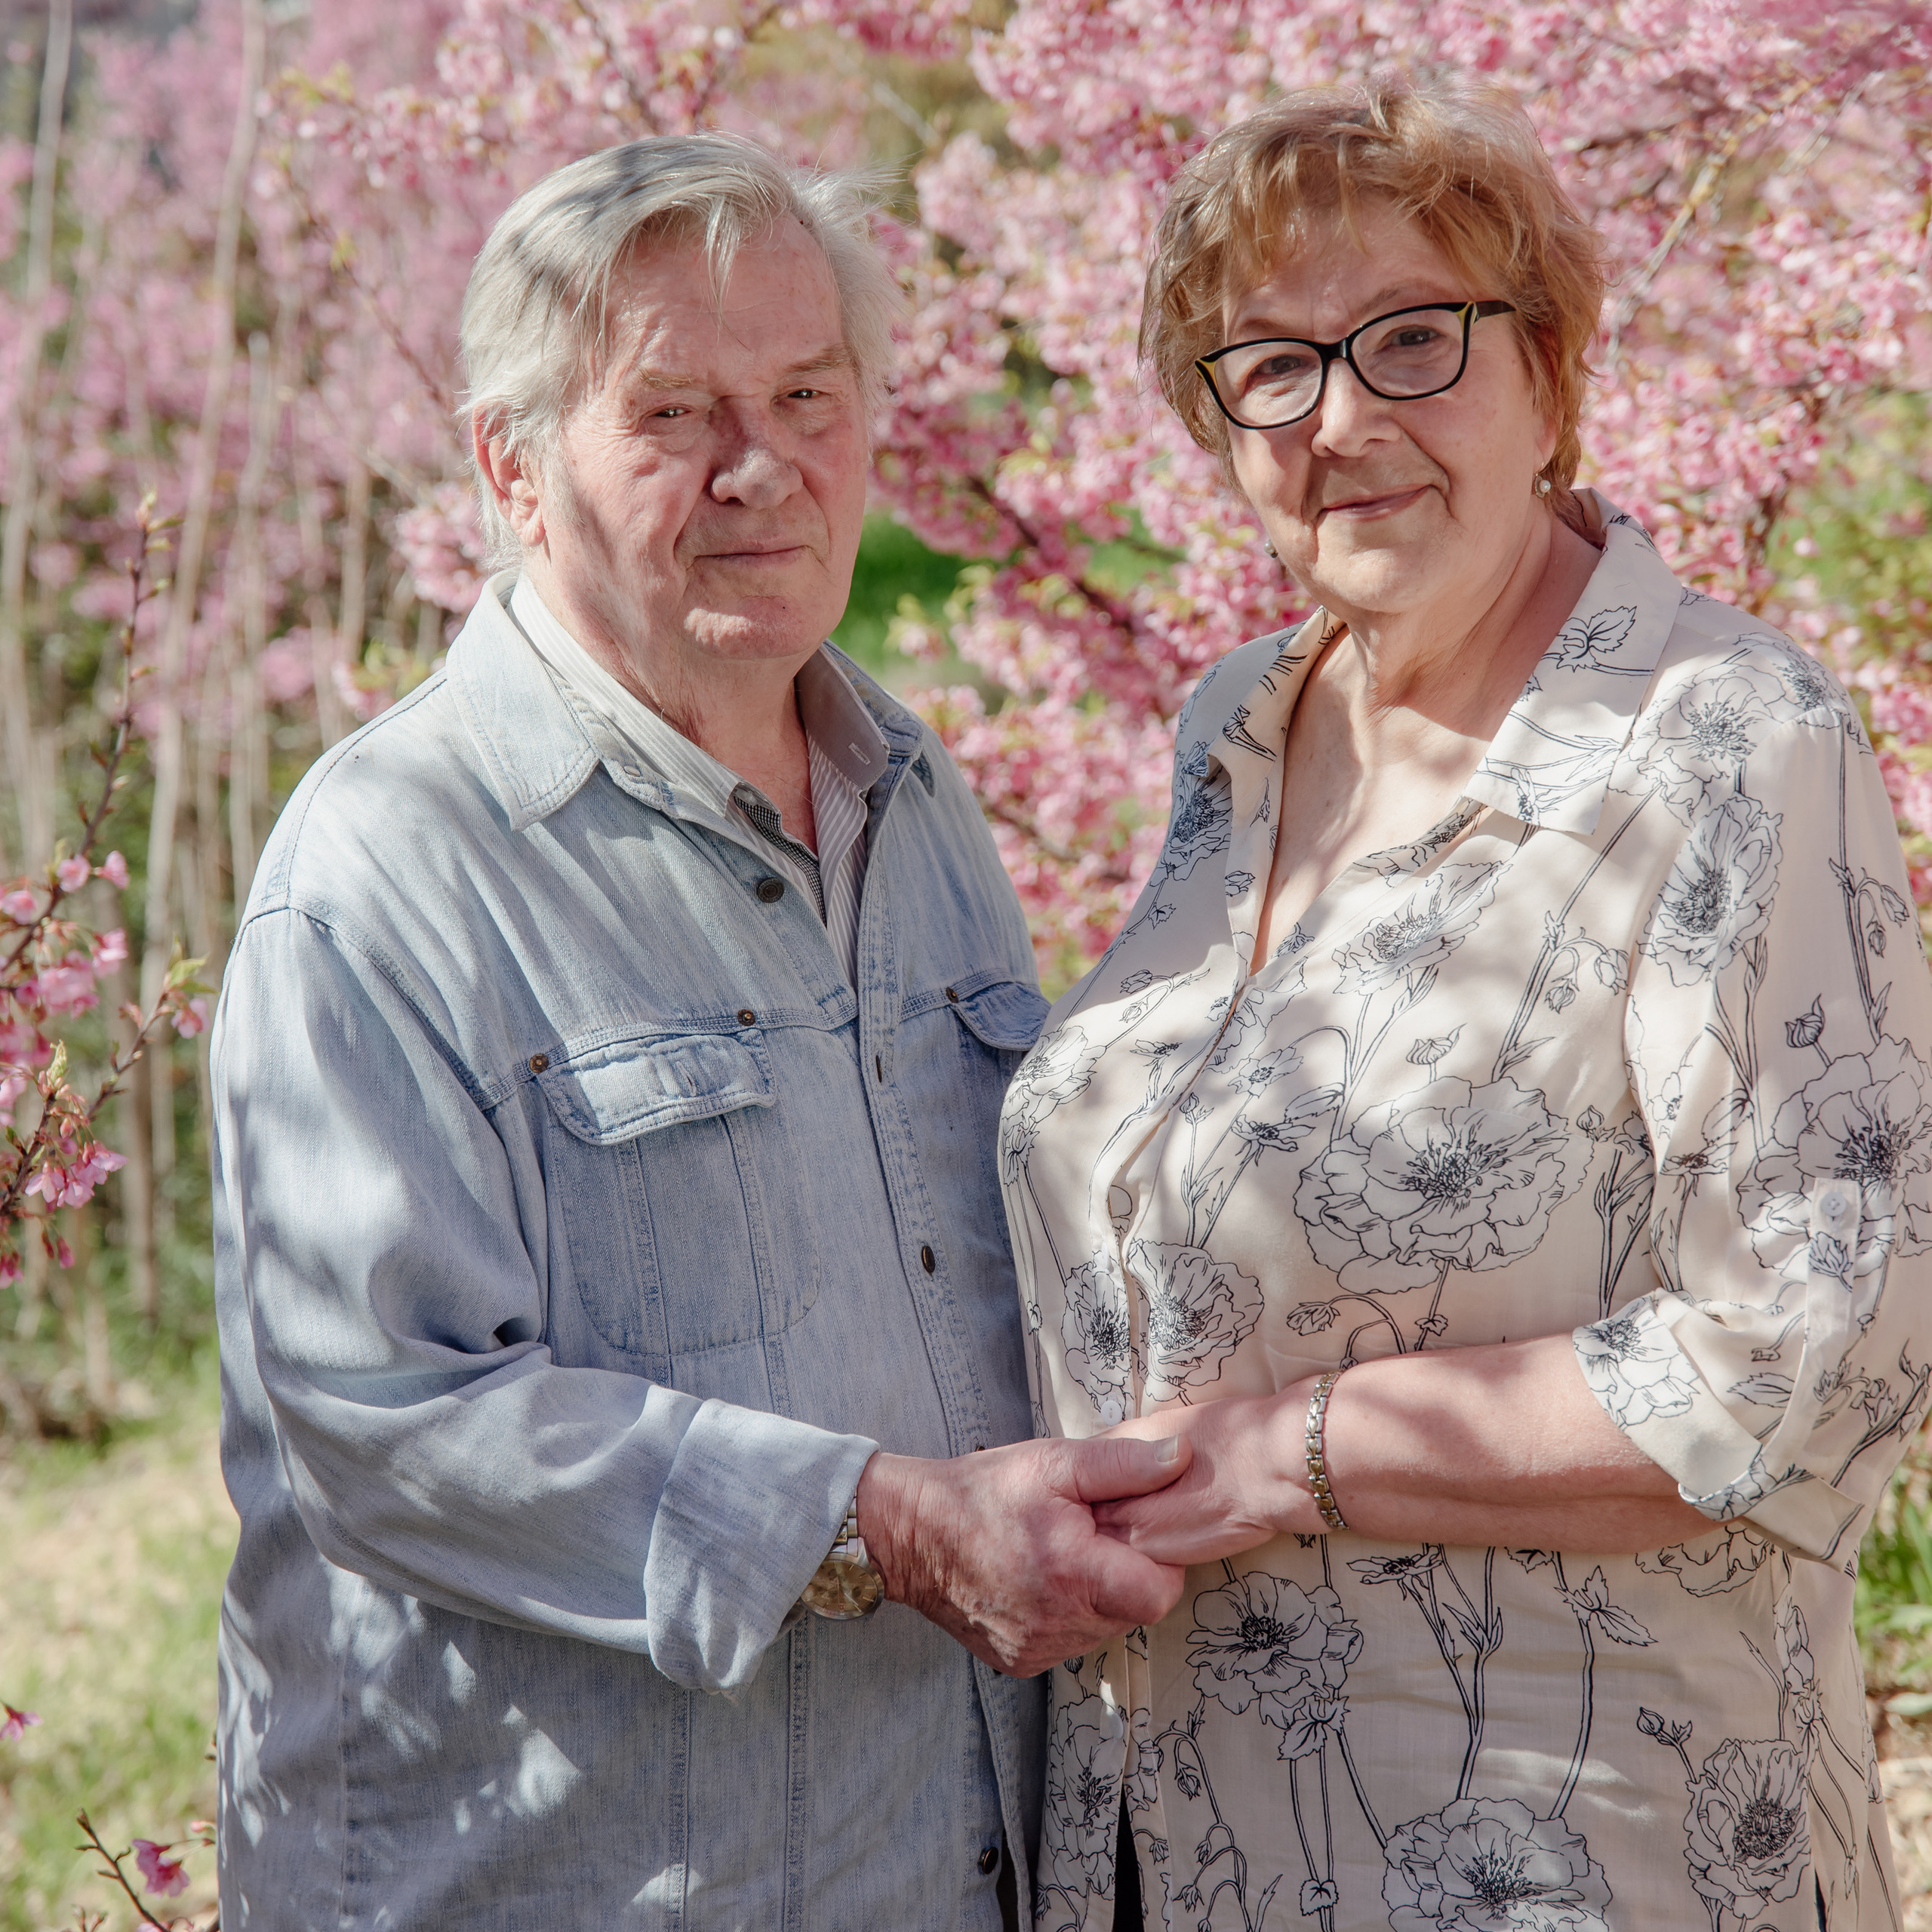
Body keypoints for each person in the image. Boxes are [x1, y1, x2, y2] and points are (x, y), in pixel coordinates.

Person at [210, 133, 1195, 1932]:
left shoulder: (911, 794)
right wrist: (879, 1522)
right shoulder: (389, 866)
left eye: (808, 395)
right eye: (672, 414)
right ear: (512, 467)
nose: (764, 468)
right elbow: (383, 1416)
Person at [1004, 77, 1929, 1932]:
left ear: (1547, 368)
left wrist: (1302, 1451)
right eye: (1264, 367)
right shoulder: (1237, 730)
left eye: (1411, 341)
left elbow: (1816, 1350)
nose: (1340, 418)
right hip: (1166, 1834)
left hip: (1572, 1850)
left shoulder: (1726, 741)